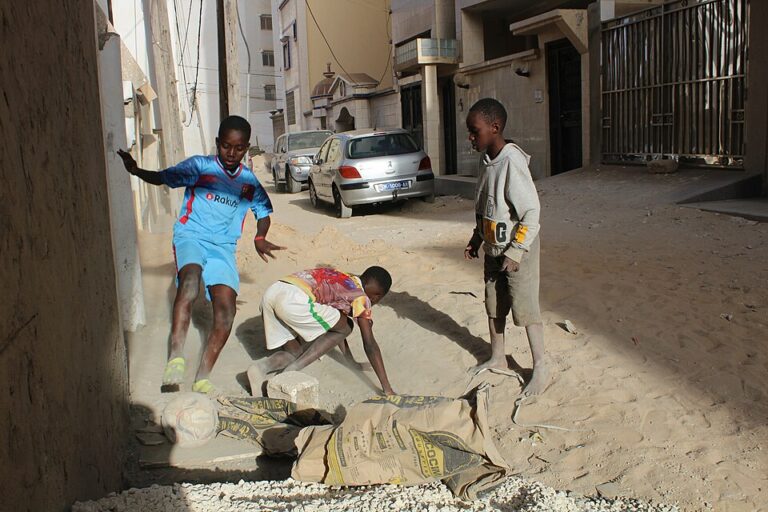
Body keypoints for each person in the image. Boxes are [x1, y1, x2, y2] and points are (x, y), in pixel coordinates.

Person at [117, 115, 284, 394]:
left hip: (223, 248)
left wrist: (260, 236)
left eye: (239, 148)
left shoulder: (248, 181)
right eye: (226, 146)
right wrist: (136, 171)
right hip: (191, 236)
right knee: (191, 281)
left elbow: (263, 212)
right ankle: (175, 358)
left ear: (246, 148)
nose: (232, 154)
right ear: (218, 143)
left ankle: (203, 375)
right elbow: (163, 178)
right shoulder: (200, 167)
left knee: (227, 310)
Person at [463, 98, 550, 396]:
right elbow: (486, 205)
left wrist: (516, 251)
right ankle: (498, 356)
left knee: (525, 307)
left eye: (475, 132)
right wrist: (477, 238)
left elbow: (532, 213)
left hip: (517, 251)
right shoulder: (485, 160)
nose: (470, 138)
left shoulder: (511, 161)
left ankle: (541, 366)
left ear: (495, 127)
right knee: (494, 303)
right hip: (493, 248)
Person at [256, 266, 395, 395]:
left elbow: (337, 328)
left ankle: (260, 369)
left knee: (294, 353)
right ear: (376, 296)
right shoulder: (362, 298)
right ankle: (291, 371)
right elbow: (369, 343)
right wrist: (387, 388)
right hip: (294, 300)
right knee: (347, 326)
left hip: (273, 291)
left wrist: (351, 362)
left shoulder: (345, 278)